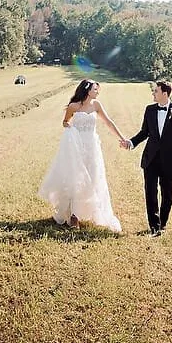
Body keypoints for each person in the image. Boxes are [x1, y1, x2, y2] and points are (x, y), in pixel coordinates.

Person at [36, 79, 126, 231]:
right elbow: (65, 121)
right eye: (95, 89)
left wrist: (122, 138)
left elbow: (108, 122)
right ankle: (74, 216)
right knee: (76, 179)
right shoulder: (73, 106)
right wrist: (70, 130)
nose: (98, 92)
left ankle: (93, 211)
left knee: (92, 177)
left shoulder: (96, 105)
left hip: (92, 147)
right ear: (87, 90)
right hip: (76, 147)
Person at [123, 80, 172, 236]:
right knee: (150, 192)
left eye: (156, 91)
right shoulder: (150, 110)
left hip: (170, 159)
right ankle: (154, 226)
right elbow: (144, 132)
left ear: (165, 94)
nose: (153, 93)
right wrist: (131, 142)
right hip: (151, 158)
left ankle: (163, 223)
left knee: (167, 192)